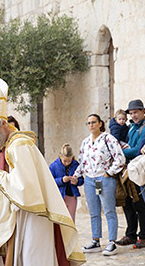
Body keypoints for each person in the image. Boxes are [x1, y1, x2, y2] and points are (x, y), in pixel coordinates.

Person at [0, 77, 85, 266]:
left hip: (29, 213)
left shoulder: (20, 145)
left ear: (3, 124)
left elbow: (26, 185)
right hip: (9, 212)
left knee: (30, 256)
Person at [74, 114, 125, 256]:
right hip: (90, 180)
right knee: (93, 212)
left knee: (109, 211)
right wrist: (76, 176)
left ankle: (111, 242)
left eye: (93, 122)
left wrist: (109, 173)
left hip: (105, 179)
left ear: (100, 123)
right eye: (88, 123)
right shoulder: (85, 142)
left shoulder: (108, 139)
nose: (91, 125)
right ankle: (95, 241)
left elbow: (120, 158)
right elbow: (82, 162)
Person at [115, 99, 145, 249]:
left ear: (143, 111)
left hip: (139, 170)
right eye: (131, 113)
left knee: (140, 204)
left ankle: (144, 236)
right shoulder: (131, 127)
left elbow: (137, 150)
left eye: (135, 112)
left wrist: (118, 152)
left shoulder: (144, 128)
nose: (133, 115)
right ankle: (131, 234)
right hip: (127, 169)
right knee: (127, 203)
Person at [49, 143, 84, 222]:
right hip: (59, 196)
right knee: (60, 220)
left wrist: (77, 181)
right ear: (60, 156)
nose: (67, 163)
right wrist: (62, 180)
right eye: (65, 161)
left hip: (72, 196)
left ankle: (71, 234)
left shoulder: (76, 165)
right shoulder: (53, 166)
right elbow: (50, 182)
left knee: (71, 220)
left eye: (69, 161)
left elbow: (81, 180)